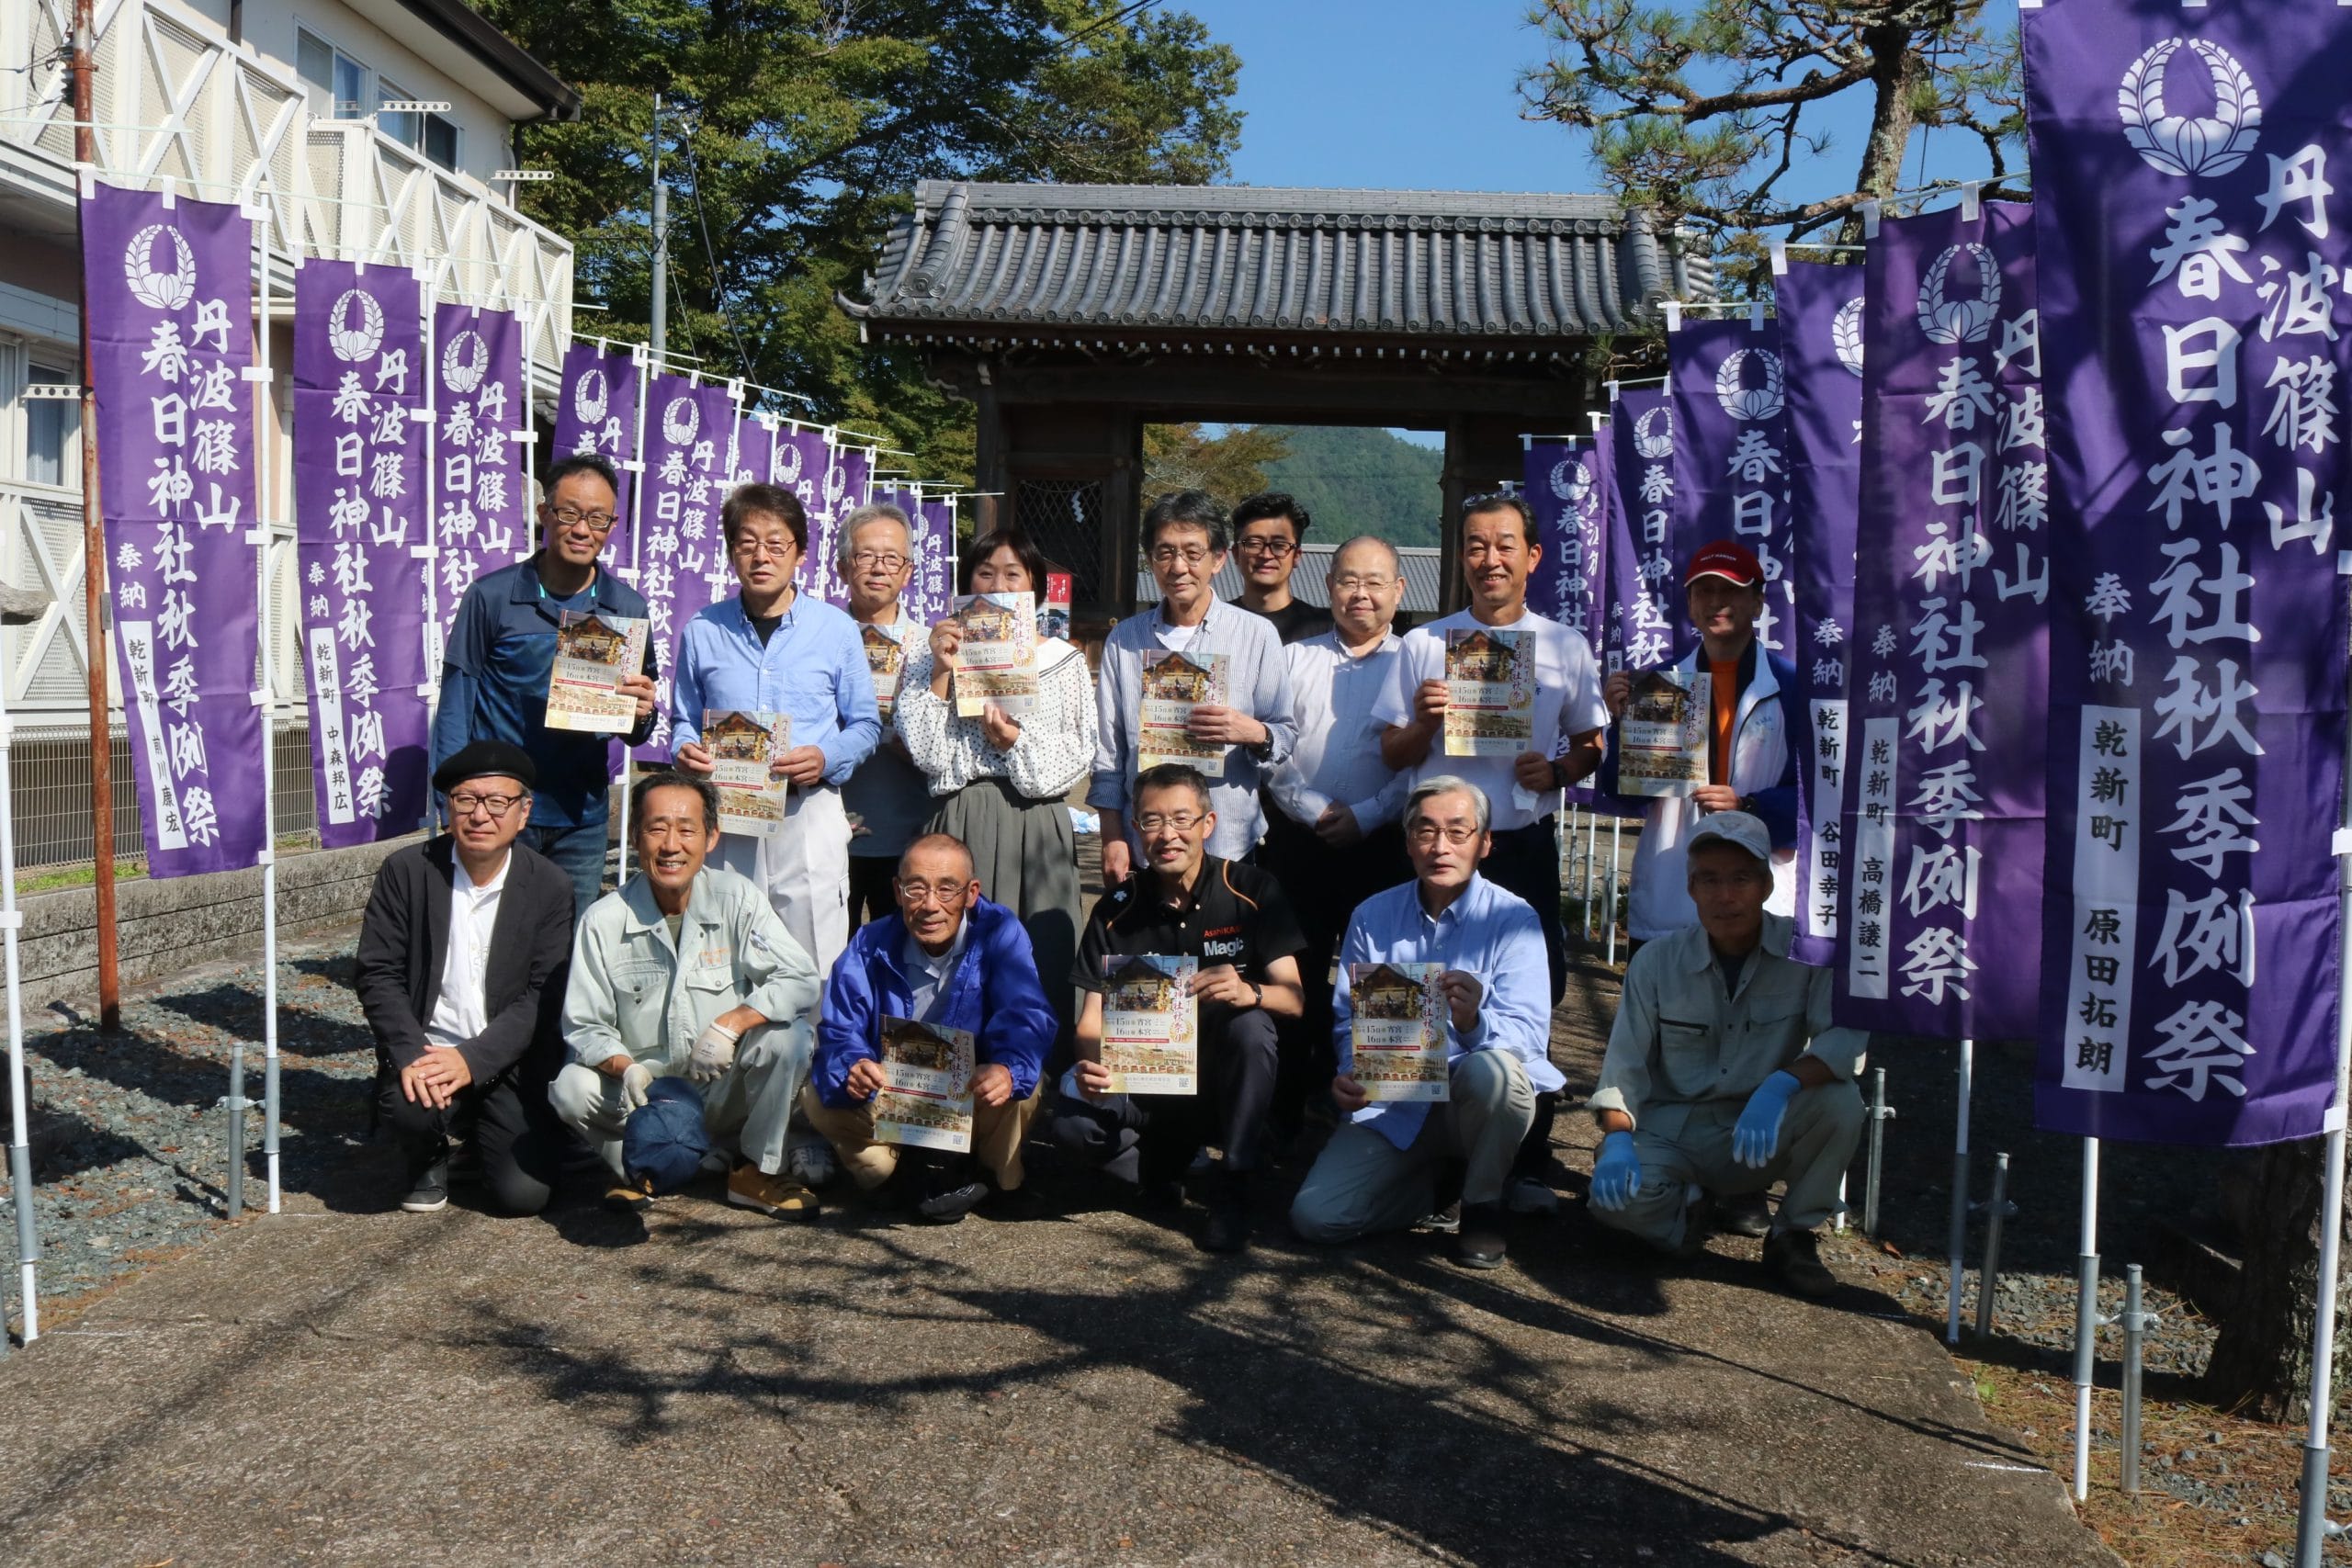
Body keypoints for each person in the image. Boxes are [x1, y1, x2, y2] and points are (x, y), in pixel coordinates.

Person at [1584, 813, 1865, 1298]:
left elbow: (1844, 1041)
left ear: (1766, 885)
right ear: (1691, 888)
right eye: (1710, 880)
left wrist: (1782, 1084)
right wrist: (1617, 1140)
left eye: (1741, 879)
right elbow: (1623, 1068)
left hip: (1762, 1126)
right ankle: (1688, 1211)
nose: (1725, 896)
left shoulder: (1807, 954)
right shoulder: (1656, 962)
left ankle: (1793, 1234)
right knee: (1614, 1203)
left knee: (1841, 1102)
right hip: (1672, 1131)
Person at [1288, 778, 1550, 1270]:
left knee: (1496, 1074)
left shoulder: (1515, 920)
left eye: (1458, 831)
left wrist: (1474, 1022)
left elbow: (1530, 1037)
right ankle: (1439, 1189)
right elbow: (1348, 1020)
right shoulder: (1372, 916)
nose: (1440, 846)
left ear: (1485, 842)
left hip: (1473, 1102)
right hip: (1395, 1102)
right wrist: (1350, 1071)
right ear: (1408, 843)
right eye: (1426, 831)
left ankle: (1482, 1204)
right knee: (1317, 1218)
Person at [1050, 764, 1306, 1254]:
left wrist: (1250, 991)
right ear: (1135, 828)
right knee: (1071, 1128)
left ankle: (1235, 1180)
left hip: (1223, 1084)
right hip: (1147, 1085)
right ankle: (1158, 1170)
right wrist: (1090, 1063)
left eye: (1181, 819)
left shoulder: (1252, 890)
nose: (1167, 834)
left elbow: (1293, 999)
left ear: (1208, 824)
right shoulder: (1115, 909)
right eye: (1152, 821)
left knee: (1252, 1027)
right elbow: (1090, 1022)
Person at [550, 773, 826, 1218]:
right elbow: (585, 1026)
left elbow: (800, 977)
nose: (670, 845)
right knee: (570, 1088)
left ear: (711, 837)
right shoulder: (603, 921)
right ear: (635, 837)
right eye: (656, 828)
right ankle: (641, 1167)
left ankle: (753, 1169)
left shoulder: (737, 897)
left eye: (686, 829)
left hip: (724, 1088)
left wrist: (732, 1023)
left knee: (790, 1038)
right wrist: (627, 1068)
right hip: (648, 1095)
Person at [1374, 493, 1607, 1008]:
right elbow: (1391, 753)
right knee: (1420, 984)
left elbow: (1591, 745)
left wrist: (1557, 772)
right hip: (1435, 846)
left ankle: (1521, 1064)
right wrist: (1425, 723)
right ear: (1462, 557)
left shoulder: (1565, 645)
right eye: (1476, 547)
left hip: (1520, 842)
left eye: (1505, 546)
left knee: (1532, 985)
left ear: (1533, 556)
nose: (1490, 560)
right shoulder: (1425, 642)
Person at [896, 526, 1096, 1060]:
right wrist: (941, 670)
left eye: (1013, 574)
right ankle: (945, 1080)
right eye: (985, 574)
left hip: (1037, 825)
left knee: (1039, 955)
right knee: (953, 954)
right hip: (959, 819)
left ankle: (1037, 1078)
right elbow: (927, 753)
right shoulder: (930, 654)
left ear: (1034, 587)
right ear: (967, 583)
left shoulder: (1064, 660)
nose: (999, 585)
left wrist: (1014, 742)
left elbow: (1078, 754)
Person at [431, 453, 659, 917]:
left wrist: (642, 714)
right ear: (544, 514)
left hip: (581, 816)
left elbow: (637, 726)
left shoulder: (627, 608)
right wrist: (451, 803)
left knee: (567, 941)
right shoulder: (491, 597)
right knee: (492, 938)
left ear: (612, 526)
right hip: (498, 809)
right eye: (569, 513)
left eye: (597, 518)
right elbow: (457, 704)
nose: (582, 530)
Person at [671, 481, 880, 981]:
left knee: (812, 962)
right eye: (747, 543)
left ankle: (813, 1036)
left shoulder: (836, 630)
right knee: (725, 957)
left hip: (807, 811)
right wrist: (684, 749)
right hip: (728, 817)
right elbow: (683, 719)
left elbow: (866, 724)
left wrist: (825, 758)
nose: (760, 556)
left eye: (775, 543)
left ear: (800, 553)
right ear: (731, 552)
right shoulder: (703, 630)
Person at [356, 740, 576, 1216]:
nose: (480, 815)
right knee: (408, 1106)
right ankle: (427, 1155)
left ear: (523, 812)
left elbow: (546, 993)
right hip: (430, 1050)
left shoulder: (550, 885)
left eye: (497, 802)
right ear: (447, 807)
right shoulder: (407, 871)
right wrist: (411, 1054)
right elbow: (377, 972)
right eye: (466, 800)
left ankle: (480, 1139)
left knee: (522, 1197)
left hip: (508, 1058)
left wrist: (473, 1060)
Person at [802, 833, 1058, 1222]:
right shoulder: (869, 942)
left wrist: (1007, 1067)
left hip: (970, 1095)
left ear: (971, 893)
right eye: (916, 888)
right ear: (897, 891)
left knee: (1027, 1082)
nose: (930, 905)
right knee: (816, 1095)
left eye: (947, 888)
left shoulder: (999, 931)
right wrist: (854, 1064)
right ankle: (887, 1176)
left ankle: (998, 1178)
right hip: (893, 1097)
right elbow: (840, 1028)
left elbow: (1026, 1013)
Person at [1261, 536, 1411, 1137]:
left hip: (1386, 845)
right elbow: (1271, 750)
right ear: (1328, 587)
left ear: (1399, 590)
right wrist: (1316, 809)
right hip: (1301, 843)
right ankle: (1282, 1114)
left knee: (1383, 980)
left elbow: (1423, 760)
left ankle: (1381, 1120)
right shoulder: (1292, 658)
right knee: (1293, 977)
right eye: (1349, 580)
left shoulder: (1418, 660)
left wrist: (1369, 814)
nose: (1360, 594)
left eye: (1375, 582)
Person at [1601, 539, 1808, 946]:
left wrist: (1750, 806)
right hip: (1674, 889)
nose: (1716, 601)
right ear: (1691, 604)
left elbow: (1816, 798)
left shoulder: (1793, 688)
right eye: (1704, 591)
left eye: (1730, 590)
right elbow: (1622, 794)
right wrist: (1622, 724)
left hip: (1764, 893)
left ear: (1758, 603)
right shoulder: (1660, 686)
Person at [1092, 491, 1297, 884]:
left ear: (1218, 558)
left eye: (1192, 552)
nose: (1178, 567)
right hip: (1146, 847)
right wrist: (1112, 836)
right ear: (1150, 559)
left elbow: (1285, 736)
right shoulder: (1125, 639)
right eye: (1165, 552)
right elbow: (1108, 751)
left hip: (1229, 844)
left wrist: (1252, 732)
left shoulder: (1256, 634)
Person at [835, 502, 934, 931]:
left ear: (907, 572)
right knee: (828, 955)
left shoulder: (932, 647)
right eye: (866, 556)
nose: (879, 568)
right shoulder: (815, 640)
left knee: (900, 953)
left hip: (910, 836)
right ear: (843, 567)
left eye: (892, 558)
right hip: (829, 833)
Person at [1229, 492, 1333, 645]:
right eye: (1254, 544)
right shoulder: (1211, 625)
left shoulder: (1326, 630)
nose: (1266, 555)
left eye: (1279, 545)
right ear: (1236, 553)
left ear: (1296, 556)